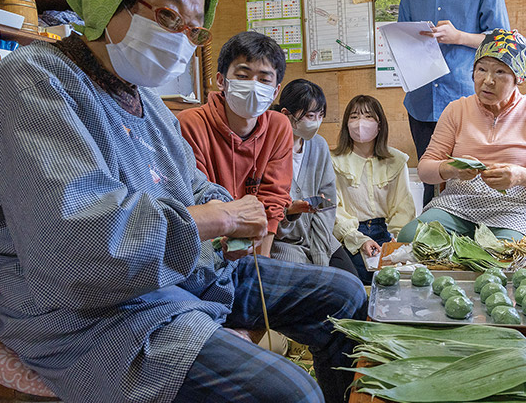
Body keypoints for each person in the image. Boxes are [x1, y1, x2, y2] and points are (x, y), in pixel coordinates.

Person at [0, 0, 366, 403]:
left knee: (346, 294)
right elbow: (80, 239)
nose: (181, 40)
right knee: (292, 394)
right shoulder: (33, 81)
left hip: (183, 275)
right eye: (167, 15)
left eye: (193, 30)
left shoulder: (150, 104)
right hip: (95, 314)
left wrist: (226, 206)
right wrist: (219, 217)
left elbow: (191, 184)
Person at [398, 29, 526, 243]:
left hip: (517, 208)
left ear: (517, 78)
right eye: (481, 69)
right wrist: (449, 169)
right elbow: (426, 169)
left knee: (503, 253)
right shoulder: (456, 110)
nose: (488, 81)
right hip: (459, 204)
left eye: (500, 72)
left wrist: (520, 176)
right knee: (410, 237)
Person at [399, 0, 510, 207]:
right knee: (431, 179)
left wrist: (459, 36)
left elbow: (501, 42)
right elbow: (404, 41)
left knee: (473, 180)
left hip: (468, 100)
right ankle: (430, 243)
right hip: (422, 102)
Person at [177, 31, 293, 258]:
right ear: (221, 80)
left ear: (275, 91)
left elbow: (273, 198)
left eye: (264, 79)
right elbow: (198, 198)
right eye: (242, 75)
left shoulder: (279, 127)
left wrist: (261, 262)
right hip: (206, 251)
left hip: (255, 248)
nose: (253, 85)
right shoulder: (189, 124)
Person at [271, 79, 359, 276]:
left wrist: (320, 255)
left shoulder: (318, 145)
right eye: (310, 116)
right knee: (314, 293)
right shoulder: (268, 147)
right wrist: (289, 213)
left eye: (320, 116)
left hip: (319, 238)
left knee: (354, 285)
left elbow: (326, 204)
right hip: (284, 243)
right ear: (286, 114)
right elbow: (269, 209)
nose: (316, 122)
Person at [332, 95, 417, 285]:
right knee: (357, 282)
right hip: (350, 234)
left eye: (368, 116)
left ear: (380, 124)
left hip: (387, 232)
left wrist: (396, 241)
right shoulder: (334, 161)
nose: (360, 122)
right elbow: (334, 209)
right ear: (346, 124)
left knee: (396, 281)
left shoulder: (397, 160)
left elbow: (403, 205)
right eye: (354, 116)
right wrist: (359, 240)